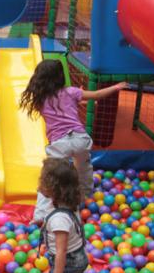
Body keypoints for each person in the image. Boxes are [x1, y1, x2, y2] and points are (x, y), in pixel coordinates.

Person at [19, 59, 126, 222]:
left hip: (60, 143)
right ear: (60, 77)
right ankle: (85, 197)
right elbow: (96, 95)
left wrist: (76, 99)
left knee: (49, 177)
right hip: (80, 139)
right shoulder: (71, 92)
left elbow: (57, 109)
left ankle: (41, 214)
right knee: (83, 166)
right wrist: (116, 87)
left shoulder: (40, 98)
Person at [37, 157, 90, 273]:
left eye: (42, 181)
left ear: (54, 188)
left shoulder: (60, 219)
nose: (39, 184)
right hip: (76, 258)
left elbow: (61, 252)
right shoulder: (66, 204)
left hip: (68, 262)